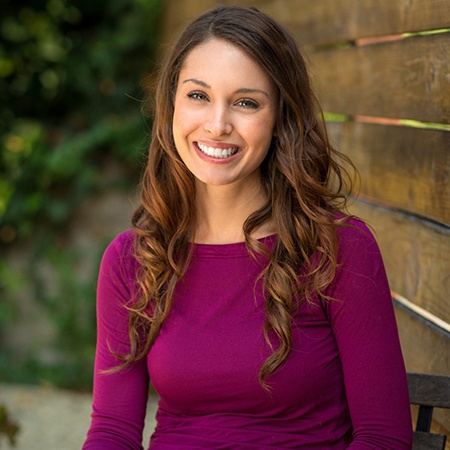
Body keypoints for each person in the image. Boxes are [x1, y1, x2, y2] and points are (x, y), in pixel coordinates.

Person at [82, 5, 412, 449]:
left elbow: (383, 438)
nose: (217, 126)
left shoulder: (338, 249)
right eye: (198, 95)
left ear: (279, 118)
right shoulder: (132, 261)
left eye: (246, 102)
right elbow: (113, 432)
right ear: (172, 105)